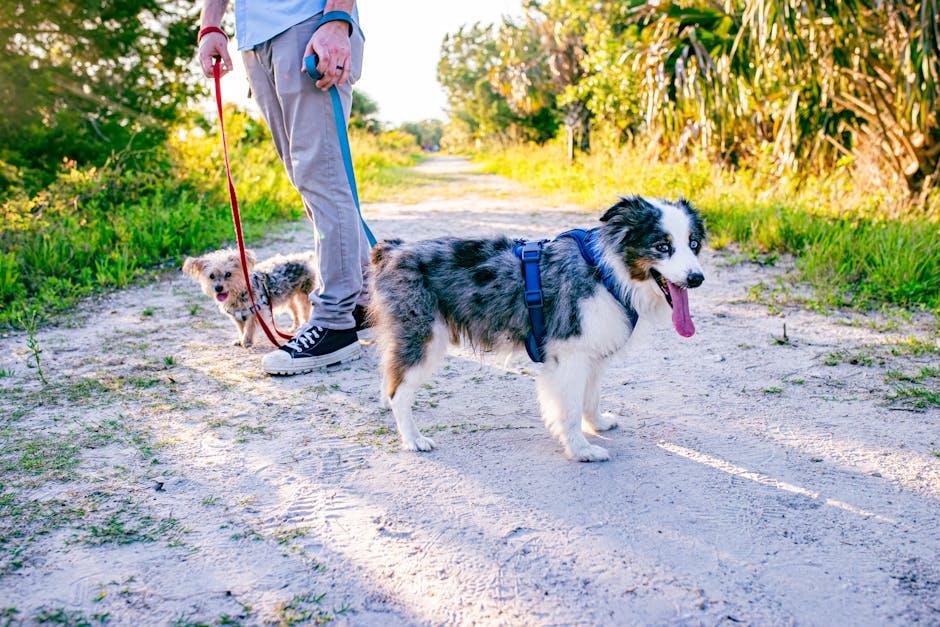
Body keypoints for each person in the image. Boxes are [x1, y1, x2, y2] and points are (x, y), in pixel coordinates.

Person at [197, 0, 370, 376]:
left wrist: (336, 20)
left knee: (322, 177)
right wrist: (210, 25)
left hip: (307, 23)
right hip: (255, 39)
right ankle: (361, 300)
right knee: (308, 179)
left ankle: (336, 322)